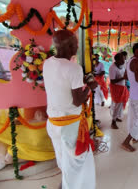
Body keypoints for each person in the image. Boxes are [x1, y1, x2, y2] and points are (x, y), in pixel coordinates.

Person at [43, 30, 98, 189]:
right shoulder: (73, 68)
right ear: (69, 46)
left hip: (53, 123)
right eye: (75, 42)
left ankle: (64, 184)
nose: (77, 46)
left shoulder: (47, 63)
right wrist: (90, 87)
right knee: (78, 165)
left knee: (63, 160)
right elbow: (76, 101)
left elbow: (61, 86)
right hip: (70, 126)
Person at [109, 53, 129, 129]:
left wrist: (125, 78)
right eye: (122, 59)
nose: (124, 60)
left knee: (120, 105)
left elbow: (123, 76)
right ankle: (113, 122)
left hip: (122, 87)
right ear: (117, 60)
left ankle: (116, 117)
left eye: (124, 59)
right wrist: (123, 78)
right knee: (117, 105)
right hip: (116, 89)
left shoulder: (122, 66)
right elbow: (112, 81)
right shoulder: (112, 68)